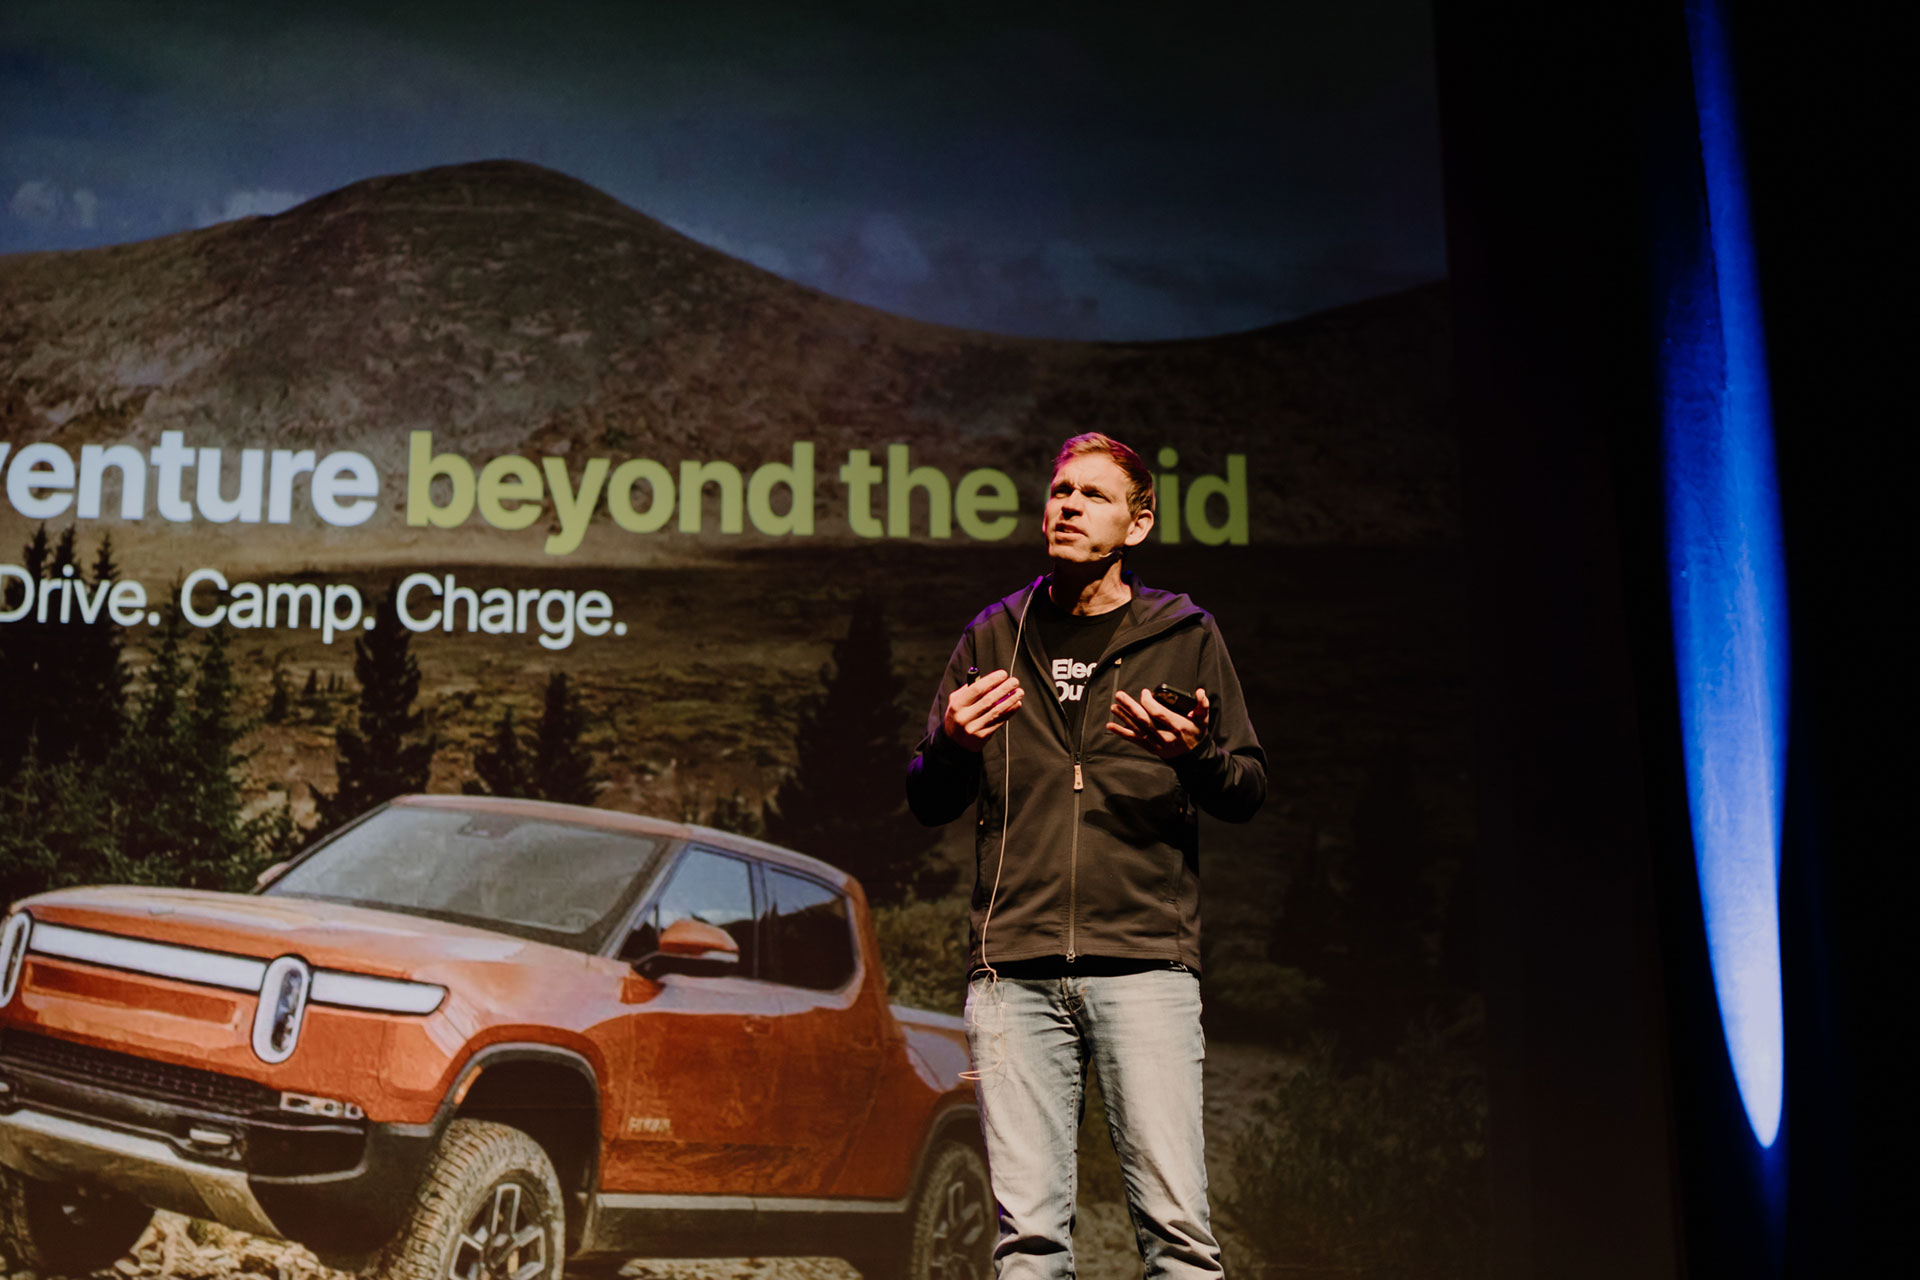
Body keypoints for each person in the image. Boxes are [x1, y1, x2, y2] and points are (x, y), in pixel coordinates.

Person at [906, 432, 1267, 1278]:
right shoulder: (993, 636)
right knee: (1028, 1243)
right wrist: (953, 744)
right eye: (1060, 490)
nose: (1066, 504)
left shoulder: (1185, 634)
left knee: (1177, 1237)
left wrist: (1194, 755)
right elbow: (928, 799)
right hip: (1013, 972)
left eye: (1093, 495)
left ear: (1137, 526)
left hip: (1145, 963)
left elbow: (1246, 790)